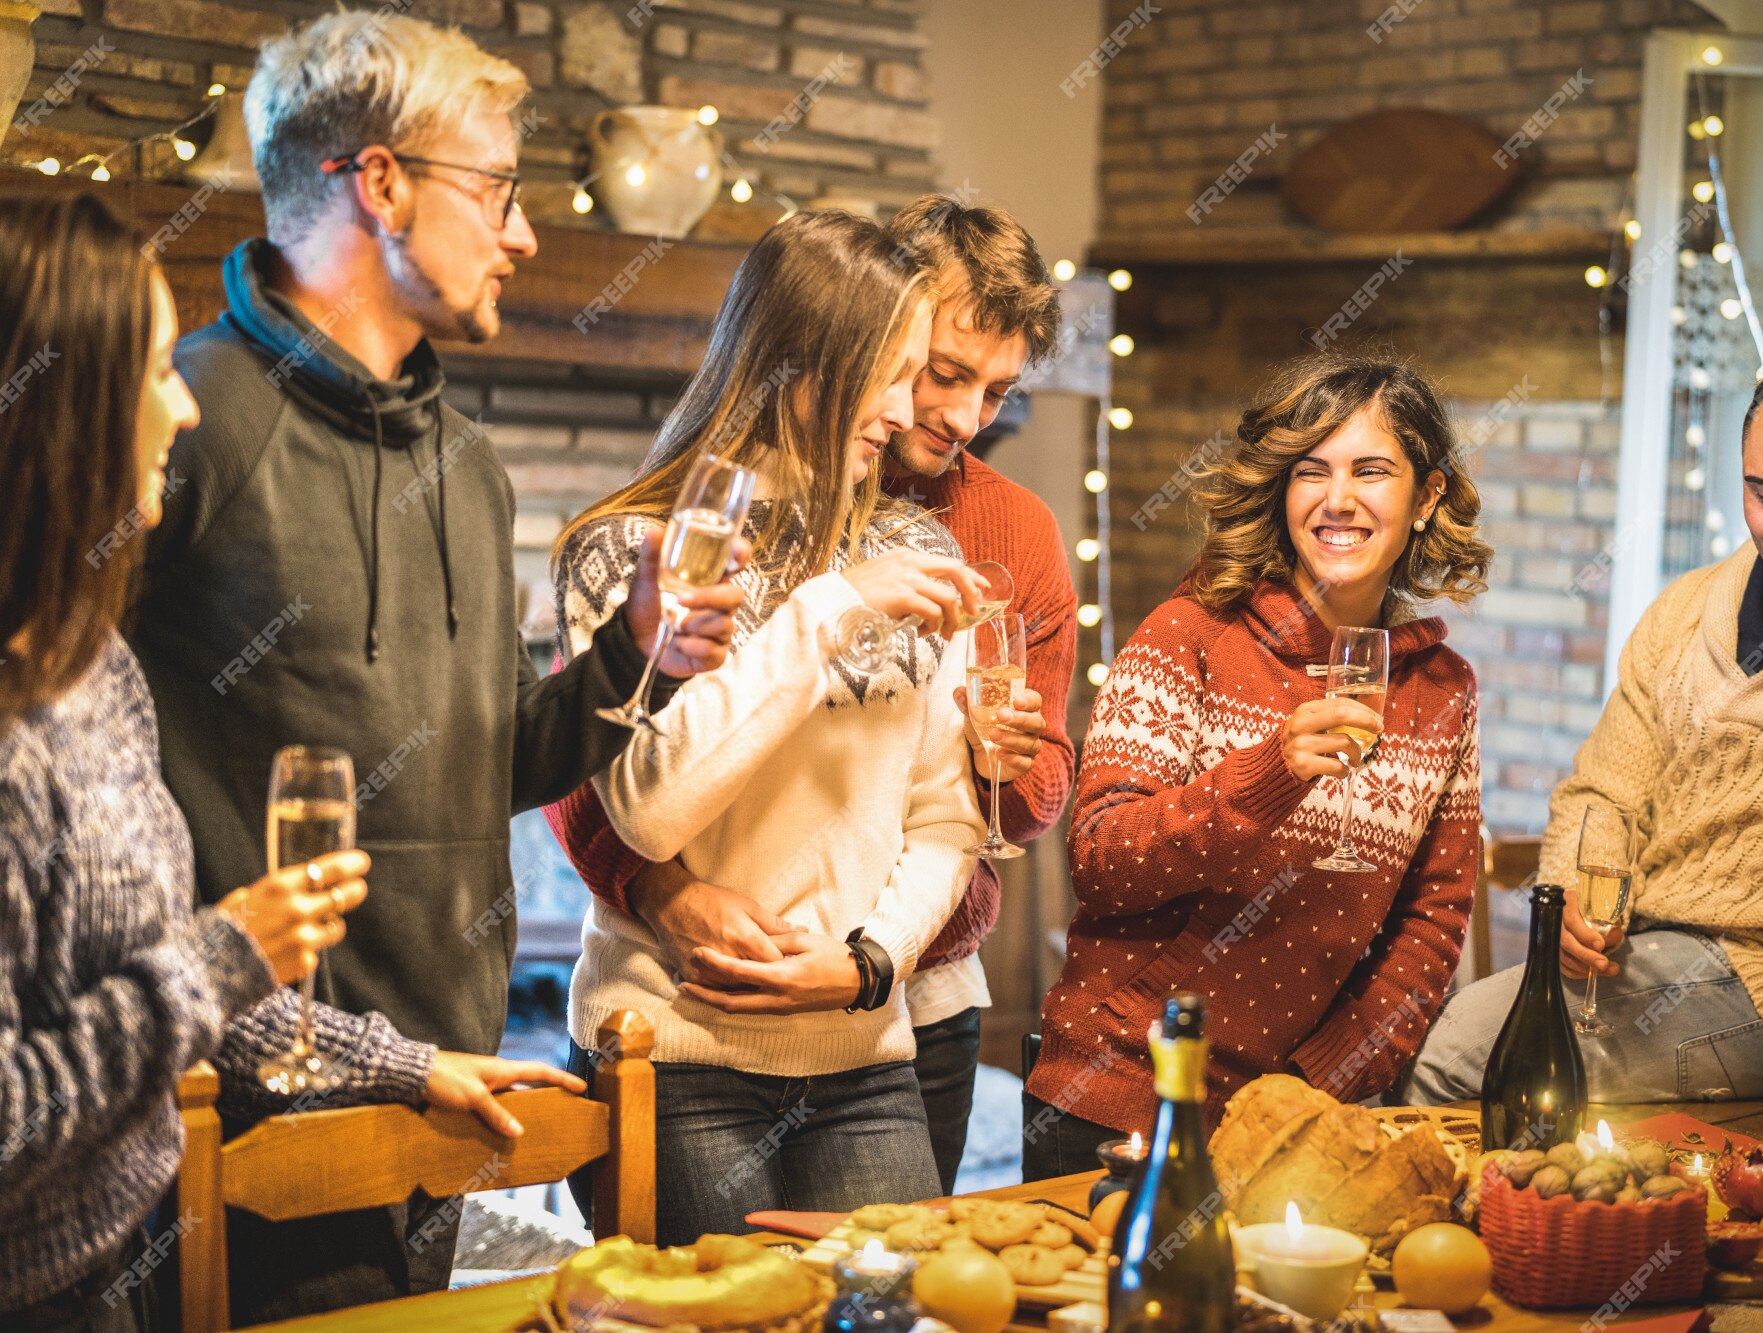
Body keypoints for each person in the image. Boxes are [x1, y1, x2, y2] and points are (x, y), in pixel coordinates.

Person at [123, 13, 737, 1320]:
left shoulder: (470, 461)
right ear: (381, 180)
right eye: (499, 188)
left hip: (444, 1084)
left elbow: (506, 755)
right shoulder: (182, 419)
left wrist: (644, 652)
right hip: (242, 1094)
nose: (522, 231)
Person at [546, 193, 1078, 1192]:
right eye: (937, 372)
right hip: (682, 1025)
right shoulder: (664, 541)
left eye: (995, 390)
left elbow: (984, 807)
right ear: (836, 341)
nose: (960, 417)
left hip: (890, 1011)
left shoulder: (964, 539)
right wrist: (653, 891)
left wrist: (874, 957)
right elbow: (586, 773)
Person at [1401, 343, 1763, 1107]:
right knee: (1422, 1032)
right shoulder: (1690, 605)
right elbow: (1601, 794)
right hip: (1641, 953)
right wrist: (1581, 893)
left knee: (1463, 1056)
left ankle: (1451, 1229)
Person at [0, 193, 371, 1332]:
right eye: (160, 370)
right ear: (64, 404)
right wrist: (227, 952)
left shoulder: (90, 661)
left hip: (118, 1259)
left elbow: (163, 968)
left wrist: (409, 1067)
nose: (187, 410)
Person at [1023, 355, 1490, 1180]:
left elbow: (1435, 920)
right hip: (1124, 1096)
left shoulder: (1443, 690)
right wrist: (1267, 775)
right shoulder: (1188, 635)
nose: (1337, 499)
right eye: (1310, 471)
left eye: (1371, 471)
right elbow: (1100, 860)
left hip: (1300, 1122)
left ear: (1427, 498)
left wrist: (1320, 1079)